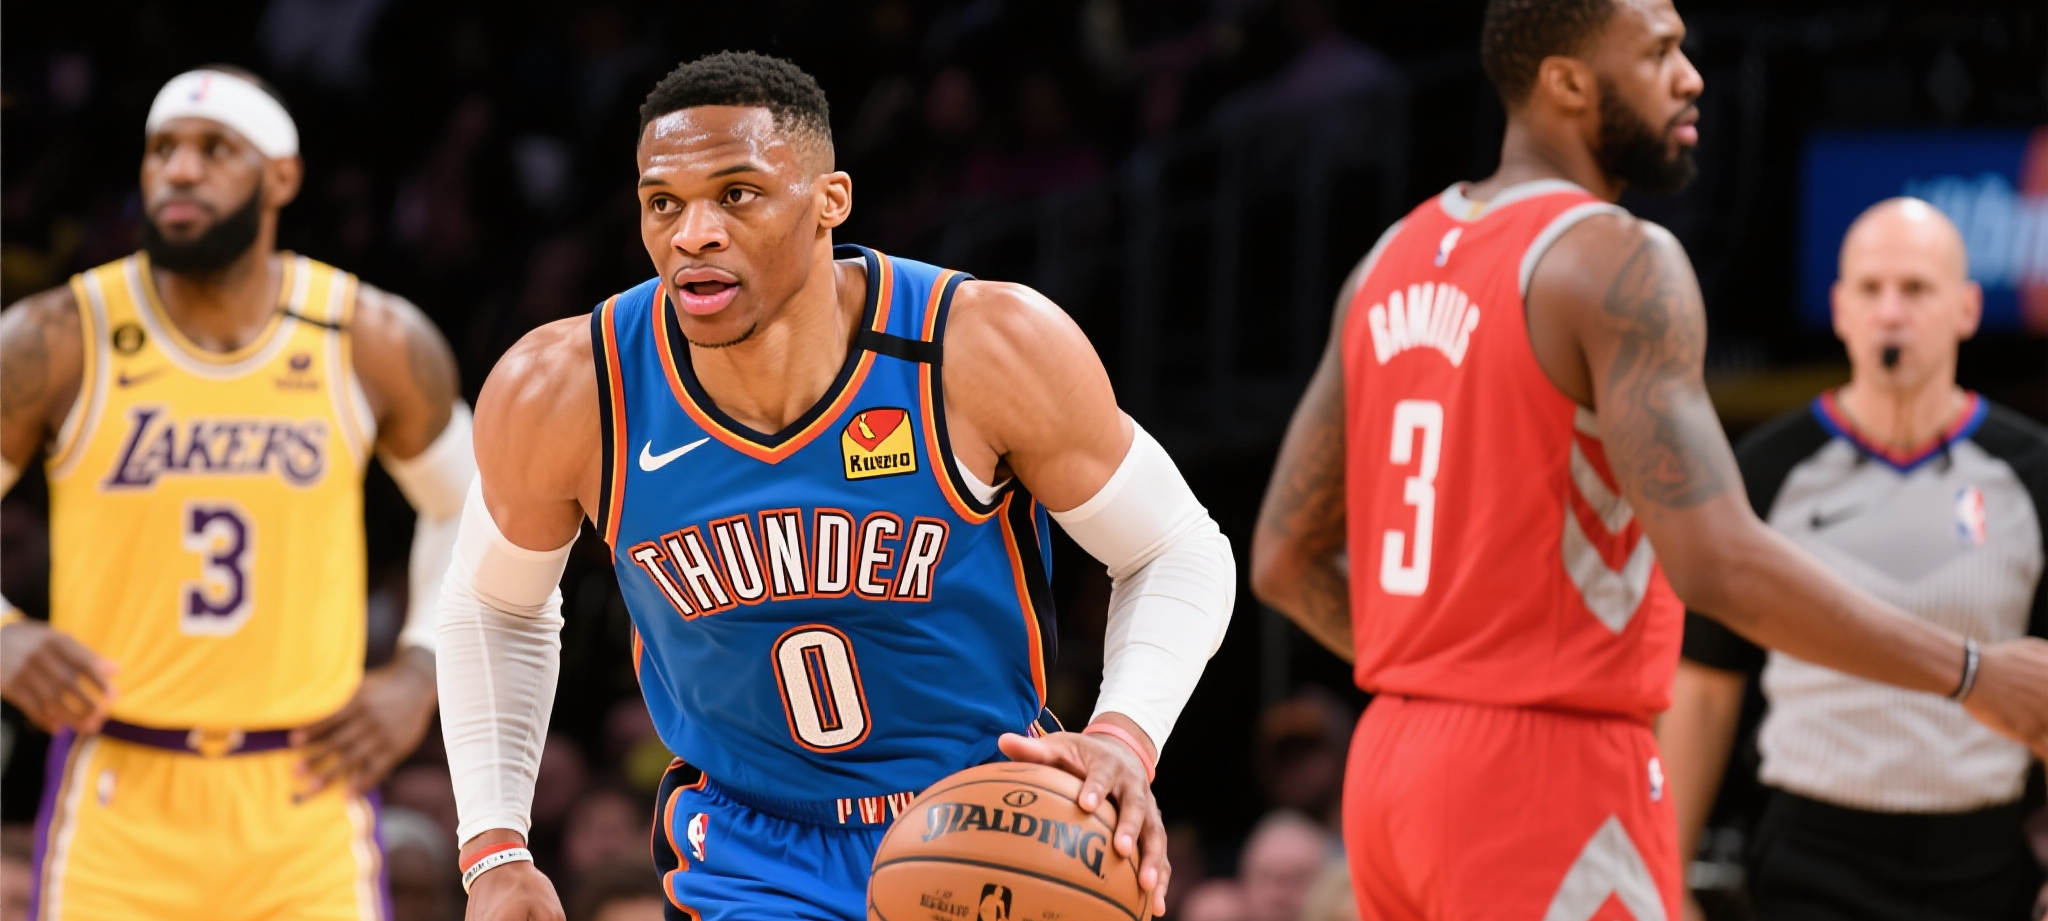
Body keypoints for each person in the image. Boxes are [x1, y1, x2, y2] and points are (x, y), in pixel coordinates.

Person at [1248, 2, 2048, 919]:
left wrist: (1453, 671)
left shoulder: (1386, 261)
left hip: (1394, 766)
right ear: (1567, 81)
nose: (1691, 76)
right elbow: (1717, 560)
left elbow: (1282, 557)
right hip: (1544, 774)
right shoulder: (1617, 259)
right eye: (1659, 52)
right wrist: (1975, 673)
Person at [433, 51, 1235, 921]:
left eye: (737, 193)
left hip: (986, 815)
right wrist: (494, 847)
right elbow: (495, 604)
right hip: (750, 850)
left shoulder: (976, 345)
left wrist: (1123, 735)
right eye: (664, 202)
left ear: (830, 200)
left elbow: (1175, 547)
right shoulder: (572, 387)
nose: (693, 233)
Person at [0, 67, 474, 920]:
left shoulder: (369, 337)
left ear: (281, 176)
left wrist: (423, 666)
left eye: (215, 150)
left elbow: (477, 503)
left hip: (305, 791)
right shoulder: (58, 337)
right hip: (120, 792)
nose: (180, 170)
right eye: (162, 150)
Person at [1659, 197, 2048, 921]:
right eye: (1871, 290)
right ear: (1840, 309)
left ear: (1967, 308)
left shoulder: (2031, 472)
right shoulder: (1767, 469)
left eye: (1916, 288)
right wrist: (1667, 873)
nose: (1890, 312)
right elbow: (1705, 688)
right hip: (1812, 854)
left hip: (1983, 858)